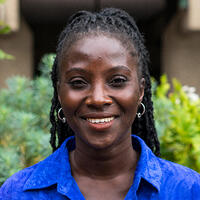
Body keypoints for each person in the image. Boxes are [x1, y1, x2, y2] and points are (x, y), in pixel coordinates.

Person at [0, 8, 200, 200]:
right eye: (78, 82)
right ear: (59, 92)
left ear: (140, 91)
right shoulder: (18, 193)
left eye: (117, 81)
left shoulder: (188, 190)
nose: (98, 98)